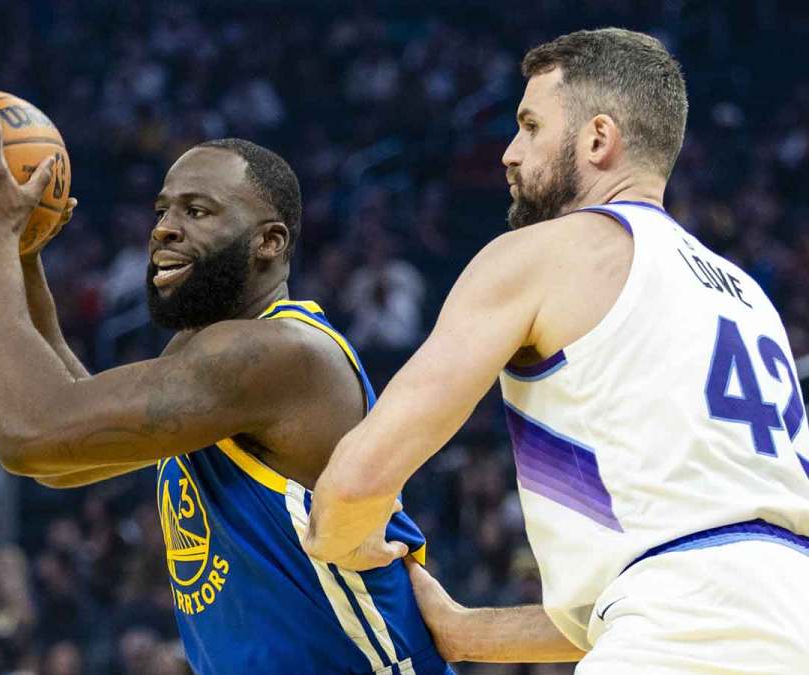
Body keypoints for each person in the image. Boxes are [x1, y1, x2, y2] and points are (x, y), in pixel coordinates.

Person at [301, 28, 809, 673]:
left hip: (674, 644)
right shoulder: (746, 296)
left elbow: (357, 483)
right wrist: (465, 632)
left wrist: (332, 540)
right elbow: (684, 570)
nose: (509, 153)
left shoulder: (546, 255)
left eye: (530, 126)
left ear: (598, 139)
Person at [0, 105, 453, 674]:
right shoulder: (207, 353)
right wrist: (21, 252)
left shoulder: (277, 354)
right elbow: (60, 458)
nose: (163, 228)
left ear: (269, 241)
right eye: (162, 210)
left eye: (197, 211)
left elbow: (29, 433)